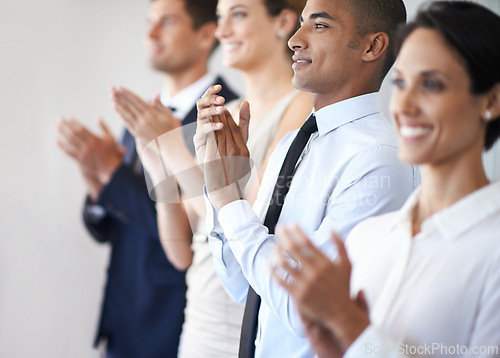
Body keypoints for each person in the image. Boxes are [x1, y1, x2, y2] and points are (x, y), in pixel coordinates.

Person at [273, 2, 500, 357]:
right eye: (401, 82)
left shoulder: (492, 251)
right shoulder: (369, 239)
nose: (404, 104)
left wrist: (350, 327)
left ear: (491, 99)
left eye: (432, 84)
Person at [194, 0, 418, 356]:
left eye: (320, 25)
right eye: (300, 23)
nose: (294, 40)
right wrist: (223, 182)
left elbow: (305, 309)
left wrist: (229, 201)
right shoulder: (291, 145)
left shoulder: (380, 160)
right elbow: (243, 285)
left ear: (372, 46)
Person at [110, 0, 311, 356]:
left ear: (282, 22)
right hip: (196, 322)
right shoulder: (227, 111)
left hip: (237, 322)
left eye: (238, 14)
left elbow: (245, 219)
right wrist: (158, 163)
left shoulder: (300, 107)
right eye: (219, 18)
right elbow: (181, 251)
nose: (221, 31)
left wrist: (173, 147)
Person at [55, 0, 237, 357]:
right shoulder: (142, 112)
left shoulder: (225, 113)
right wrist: (99, 188)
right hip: (121, 325)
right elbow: (110, 229)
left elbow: (196, 228)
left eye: (166, 22)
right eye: (149, 22)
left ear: (205, 35)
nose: (150, 33)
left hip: (172, 327)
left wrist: (113, 175)